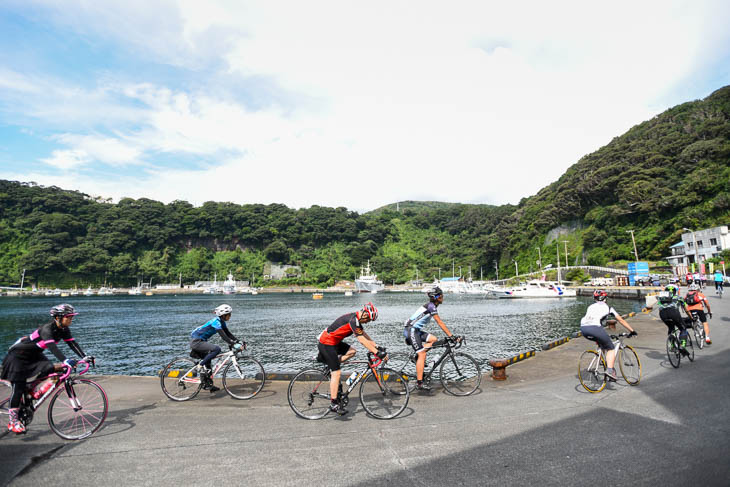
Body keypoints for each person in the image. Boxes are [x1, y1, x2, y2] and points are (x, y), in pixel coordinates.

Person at [1, 304, 89, 434]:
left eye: (71, 317)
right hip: (18, 356)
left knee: (52, 369)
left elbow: (72, 344)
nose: (71, 319)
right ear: (58, 317)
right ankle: (13, 421)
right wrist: (65, 360)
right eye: (68, 317)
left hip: (35, 355)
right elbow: (53, 348)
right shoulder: (47, 329)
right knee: (18, 387)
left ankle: (31, 389)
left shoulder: (64, 329)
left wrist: (85, 356)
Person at [317, 302, 386, 415]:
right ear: (365, 315)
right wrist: (377, 353)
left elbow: (364, 335)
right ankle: (333, 404)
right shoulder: (353, 320)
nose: (368, 322)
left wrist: (377, 347)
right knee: (337, 372)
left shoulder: (357, 321)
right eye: (368, 320)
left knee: (352, 352)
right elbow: (362, 340)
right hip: (326, 343)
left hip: (334, 342)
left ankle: (330, 362)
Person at [403, 286, 460, 391]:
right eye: (441, 295)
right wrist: (451, 336)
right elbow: (440, 322)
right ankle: (419, 383)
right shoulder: (431, 306)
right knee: (422, 354)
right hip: (410, 330)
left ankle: (417, 356)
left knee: (433, 339)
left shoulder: (432, 306)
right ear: (436, 297)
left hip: (415, 330)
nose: (443, 297)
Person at [580, 290, 637, 381]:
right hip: (595, 328)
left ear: (595, 299)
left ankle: (603, 361)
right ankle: (610, 370)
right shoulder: (609, 308)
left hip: (583, 328)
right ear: (605, 299)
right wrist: (632, 330)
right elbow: (621, 320)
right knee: (611, 348)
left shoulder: (590, 307)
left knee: (602, 343)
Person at [190, 304, 244, 393]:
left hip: (202, 341)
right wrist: (233, 344)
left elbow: (228, 334)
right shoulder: (216, 322)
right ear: (223, 315)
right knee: (217, 349)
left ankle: (209, 385)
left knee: (208, 362)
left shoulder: (222, 322)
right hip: (197, 342)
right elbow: (224, 337)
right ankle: (199, 366)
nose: (230, 316)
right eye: (229, 314)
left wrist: (238, 341)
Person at [657, 284, 693, 352]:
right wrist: (691, 317)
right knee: (683, 328)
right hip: (673, 313)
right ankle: (682, 345)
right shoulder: (679, 298)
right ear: (675, 291)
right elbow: (686, 310)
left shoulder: (661, 298)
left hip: (663, 314)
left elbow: (660, 308)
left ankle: (672, 345)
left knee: (671, 328)